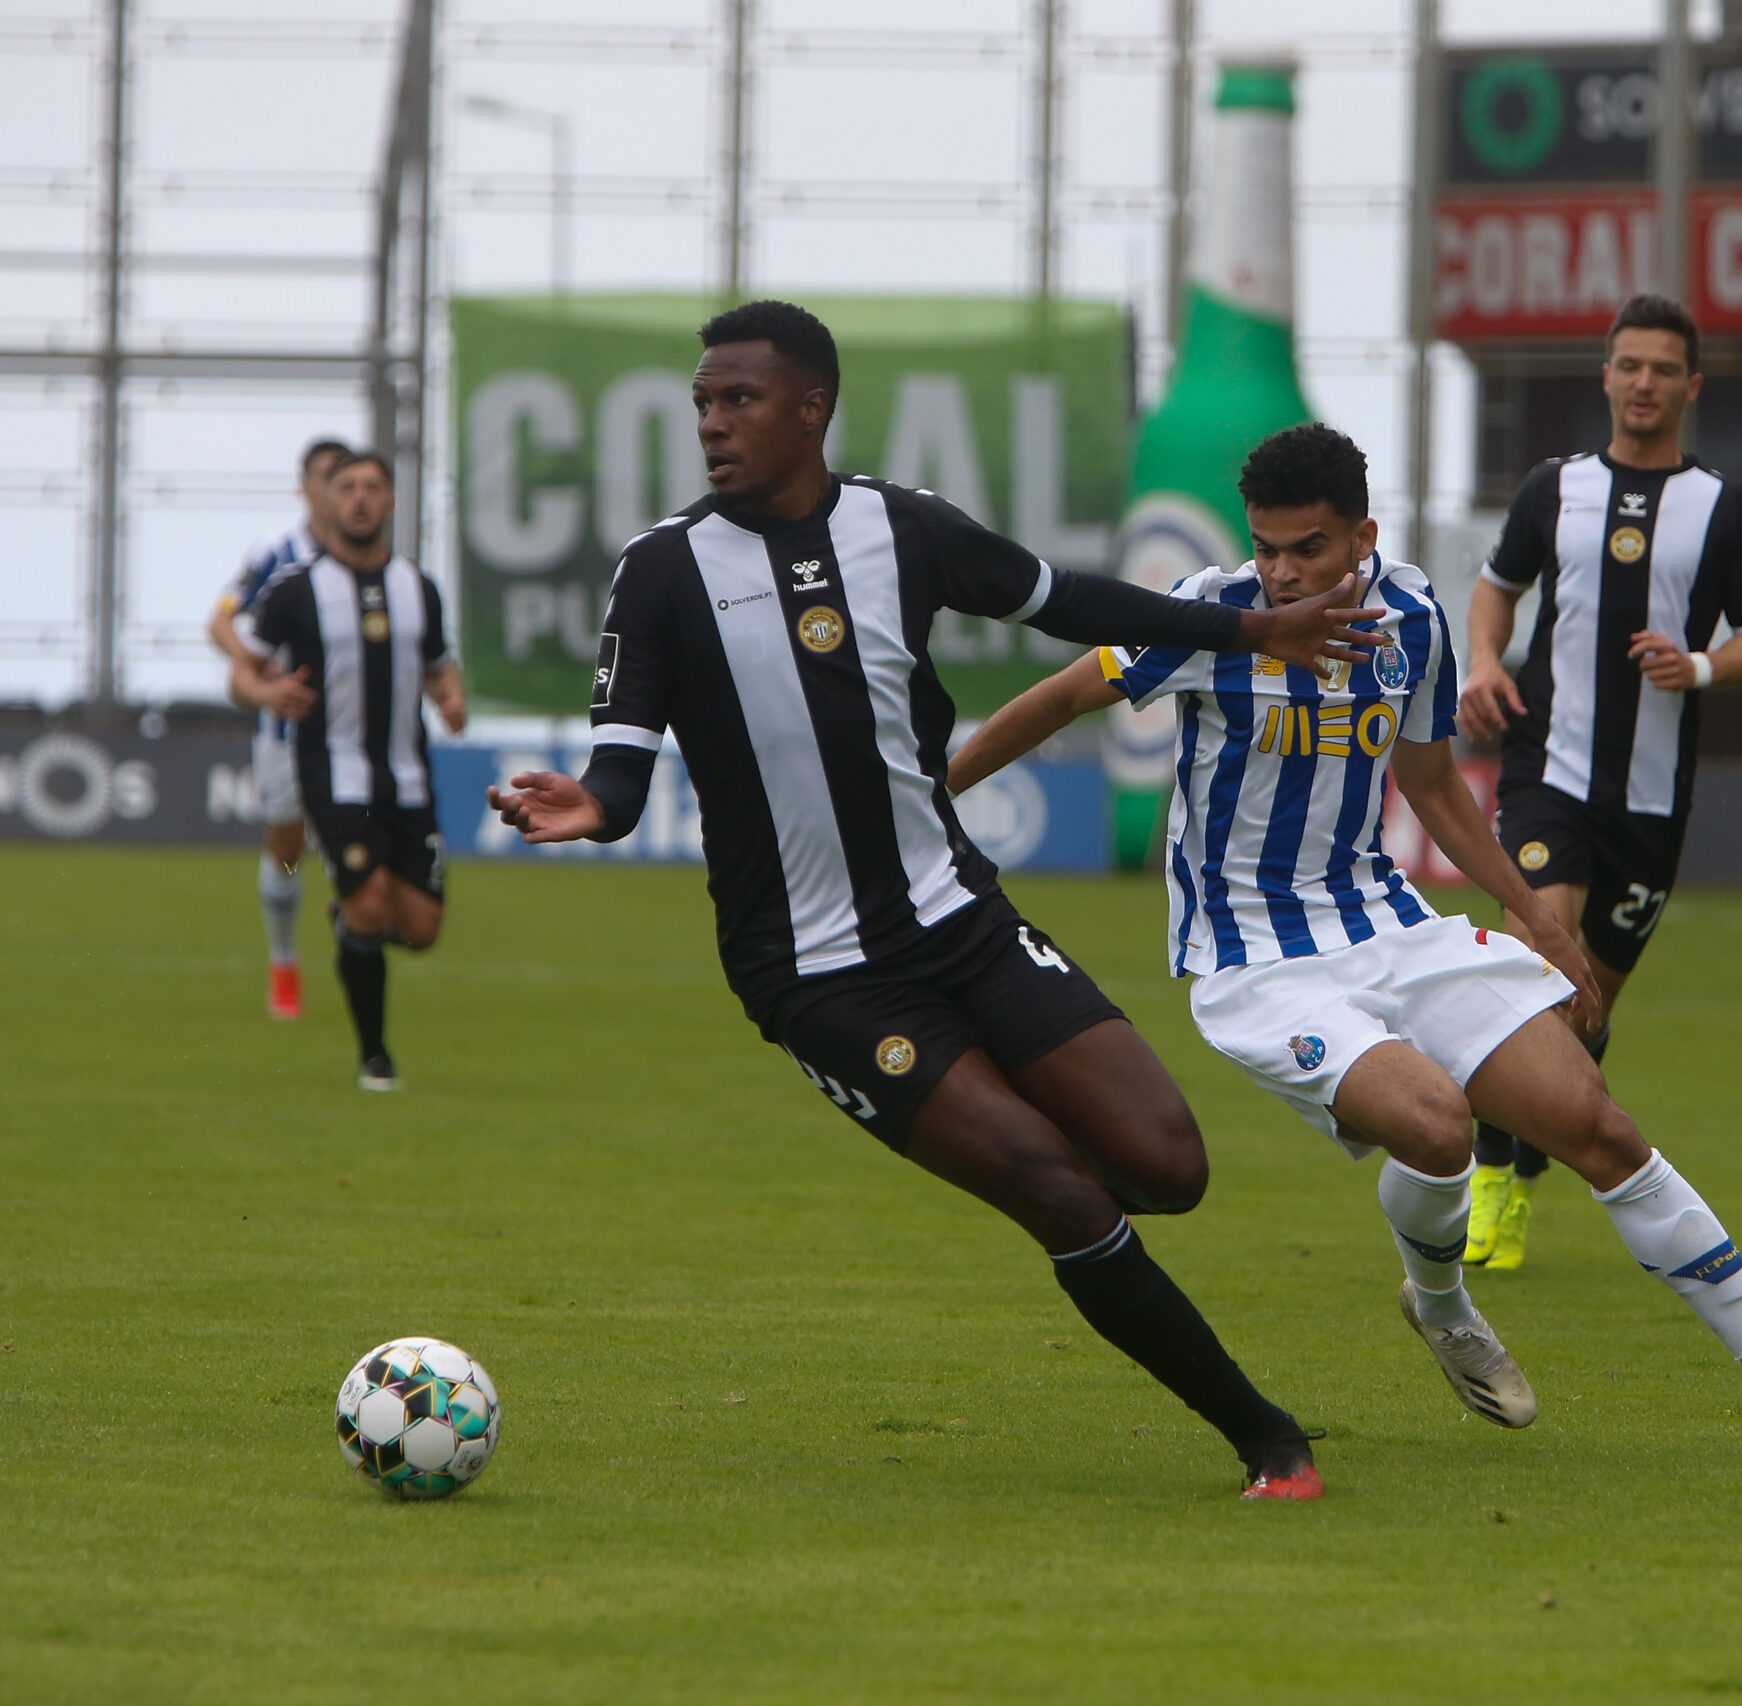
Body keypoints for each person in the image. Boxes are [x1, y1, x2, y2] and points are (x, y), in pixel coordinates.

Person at [486, 300, 1390, 1500]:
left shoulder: (901, 527)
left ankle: (1077, 1212)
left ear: (811, 407)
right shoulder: (661, 569)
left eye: (738, 399)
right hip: (817, 973)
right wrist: (588, 806)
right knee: (1053, 1187)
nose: (712, 422)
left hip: (959, 916)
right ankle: (1268, 1438)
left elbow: (1071, 599)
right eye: (703, 401)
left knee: (1168, 1166)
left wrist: (1251, 628)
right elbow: (620, 769)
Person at [950, 423, 1742, 1457]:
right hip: (1255, 960)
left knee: (1597, 1126)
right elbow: (1064, 695)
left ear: (1362, 538)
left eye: (1307, 548)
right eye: (1266, 547)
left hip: (1388, 924)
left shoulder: (1410, 617)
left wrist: (1535, 915)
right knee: (1439, 1126)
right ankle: (1444, 1306)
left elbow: (1433, 783)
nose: (1280, 572)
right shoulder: (1208, 616)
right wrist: (931, 796)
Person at [1455, 294, 1742, 1270]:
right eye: (1629, 365)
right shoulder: (1553, 488)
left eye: (1662, 369)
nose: (1644, 383)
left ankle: (1524, 1175)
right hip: (1545, 770)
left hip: (1649, 797)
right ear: (1605, 377)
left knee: (1583, 1012)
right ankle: (1487, 1181)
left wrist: (1702, 665)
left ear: (1691, 386)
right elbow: (1495, 586)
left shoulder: (1721, 507)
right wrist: (1485, 661)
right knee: (1528, 971)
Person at [230, 453, 466, 1091]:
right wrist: (267, 693)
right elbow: (242, 672)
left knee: (421, 929)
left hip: (408, 777)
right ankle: (375, 1059)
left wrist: (451, 697)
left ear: (391, 501)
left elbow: (440, 665)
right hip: (332, 776)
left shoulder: (419, 587)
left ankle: (353, 928)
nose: (360, 498)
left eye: (372, 487)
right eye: (348, 488)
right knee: (366, 902)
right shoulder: (294, 590)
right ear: (328, 502)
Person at [209, 437, 350, 1019]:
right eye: (328, 478)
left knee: (355, 845)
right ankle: (285, 960)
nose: (340, 491)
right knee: (288, 851)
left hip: (355, 733)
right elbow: (221, 619)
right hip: (287, 732)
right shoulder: (277, 552)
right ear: (306, 488)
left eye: (350, 479)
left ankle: (357, 953)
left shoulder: (372, 559)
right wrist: (259, 673)